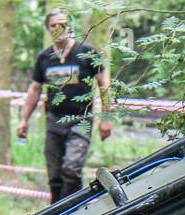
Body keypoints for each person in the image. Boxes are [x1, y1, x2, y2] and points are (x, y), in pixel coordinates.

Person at [16, 9, 113, 203]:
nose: (59, 28)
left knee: (72, 167)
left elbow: (104, 84)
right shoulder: (44, 57)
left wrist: (106, 118)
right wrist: (24, 119)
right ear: (48, 29)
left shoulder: (87, 52)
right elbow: (35, 89)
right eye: (54, 25)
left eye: (63, 24)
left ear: (70, 27)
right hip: (54, 120)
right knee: (55, 174)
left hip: (81, 119)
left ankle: (73, 211)